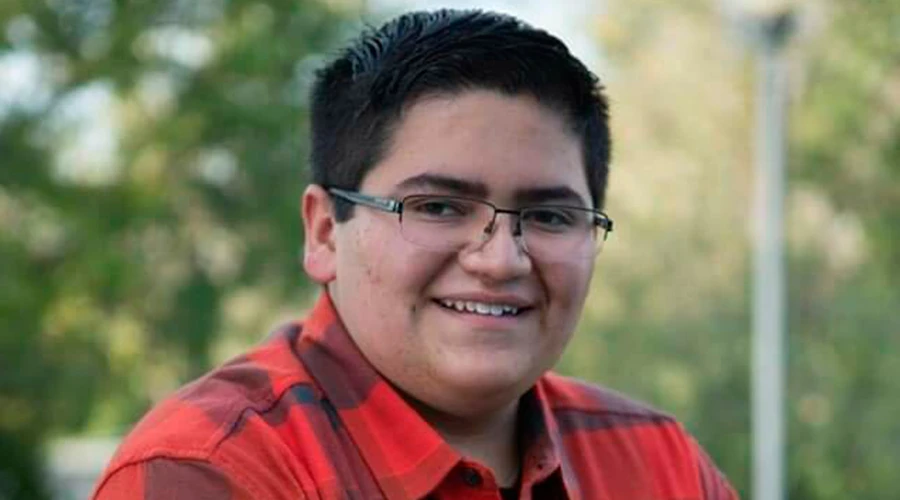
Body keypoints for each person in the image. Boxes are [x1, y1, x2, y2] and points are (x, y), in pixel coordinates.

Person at [92, 9, 738, 500]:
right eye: (438, 207)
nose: (500, 261)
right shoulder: (214, 471)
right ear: (325, 232)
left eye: (549, 216)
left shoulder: (658, 465)